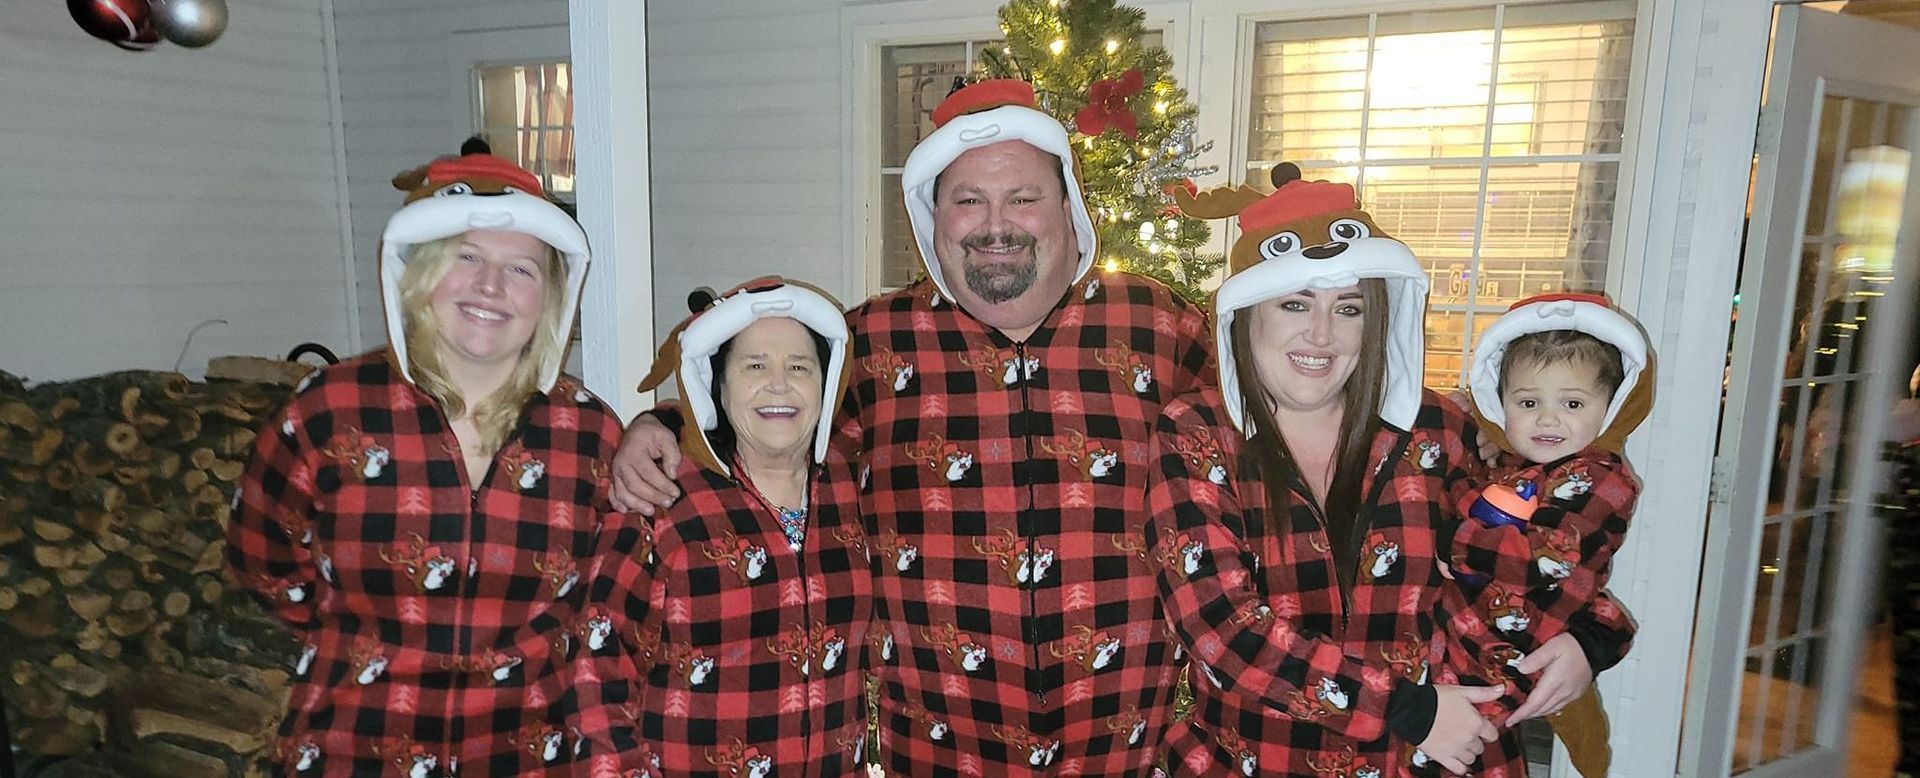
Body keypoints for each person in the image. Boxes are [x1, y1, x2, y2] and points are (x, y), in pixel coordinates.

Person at [612, 79, 1213, 775]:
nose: (997, 224)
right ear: (934, 218)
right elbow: (772, 417)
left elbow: (1251, 435)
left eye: (1023, 197)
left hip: (1122, 755)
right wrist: (662, 424)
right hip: (935, 756)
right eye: (967, 201)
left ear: (1070, 208)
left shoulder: (1159, 325)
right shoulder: (873, 340)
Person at [1148, 168, 1635, 776]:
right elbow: (1217, 624)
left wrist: (1591, 638)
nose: (1321, 334)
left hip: (1442, 760)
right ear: (1248, 314)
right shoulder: (1197, 433)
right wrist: (1407, 708)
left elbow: (1534, 552)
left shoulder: (1437, 429)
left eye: (1347, 308)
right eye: (1295, 303)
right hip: (1266, 759)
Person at [228, 154, 616, 774]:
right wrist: (359, 647)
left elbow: (611, 593)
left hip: (525, 754)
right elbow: (263, 559)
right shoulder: (329, 409)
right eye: (466, 257)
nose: (491, 286)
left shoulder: (589, 431)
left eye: (520, 269)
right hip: (355, 746)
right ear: (417, 272)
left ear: (548, 300)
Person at [572, 278, 871, 775]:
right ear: (718, 384)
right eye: (754, 366)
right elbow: (595, 668)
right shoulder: (660, 495)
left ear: (828, 382)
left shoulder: (850, 480)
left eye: (799, 366)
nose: (779, 384)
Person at [1443, 292, 1652, 777]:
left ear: (1612, 407)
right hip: (1479, 642)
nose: (1548, 418)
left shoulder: (1600, 476)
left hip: (1527, 648)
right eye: (1529, 402)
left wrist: (1448, 543)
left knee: (1481, 744)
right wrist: (1468, 426)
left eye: (1572, 402)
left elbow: (1547, 560)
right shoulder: (1520, 467)